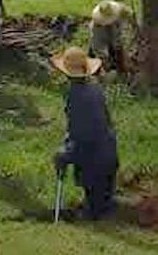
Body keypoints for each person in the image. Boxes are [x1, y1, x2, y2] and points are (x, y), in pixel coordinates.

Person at [51, 46, 119, 220]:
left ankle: (95, 210)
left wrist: (65, 154)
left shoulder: (75, 96)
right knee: (102, 196)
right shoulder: (94, 87)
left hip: (95, 161)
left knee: (95, 206)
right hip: (109, 155)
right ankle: (100, 204)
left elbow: (83, 138)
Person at [89, 0, 134, 73]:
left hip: (116, 32)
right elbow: (98, 47)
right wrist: (105, 62)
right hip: (102, 38)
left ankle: (121, 68)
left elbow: (129, 14)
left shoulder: (121, 10)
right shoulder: (97, 26)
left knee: (118, 48)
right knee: (98, 56)